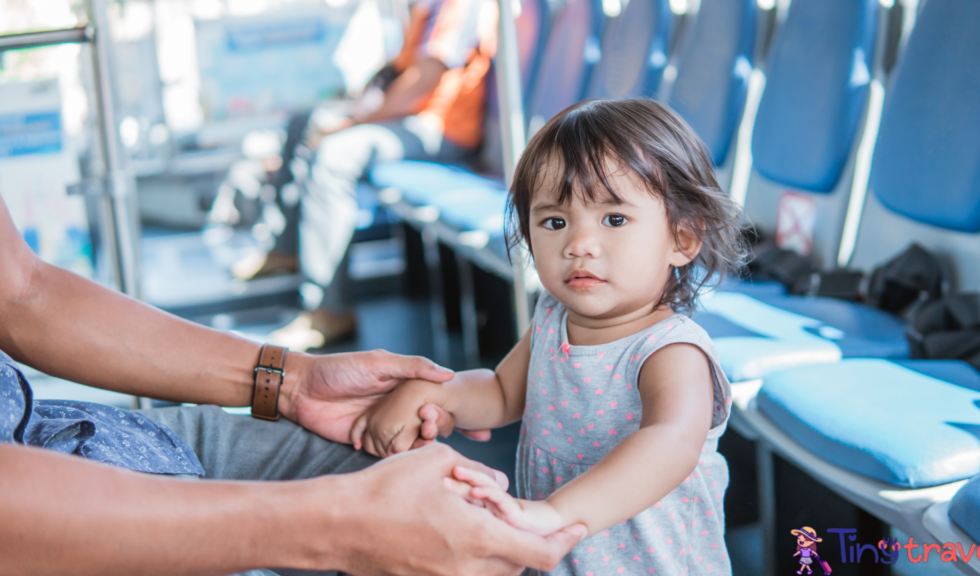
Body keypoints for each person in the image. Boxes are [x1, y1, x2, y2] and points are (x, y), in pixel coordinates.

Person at [0, 193, 586, 575]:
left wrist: (291, 382)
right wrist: (331, 525)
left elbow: (21, 292)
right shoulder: (553, 320)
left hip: (57, 433)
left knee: (441, 507)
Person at [348, 98, 747, 575]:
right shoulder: (554, 316)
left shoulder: (671, 351)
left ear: (682, 239)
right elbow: (501, 392)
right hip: (560, 556)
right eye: (554, 222)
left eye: (614, 219)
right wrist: (434, 393)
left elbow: (671, 444)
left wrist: (557, 512)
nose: (578, 244)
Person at [234, 0, 499, 351]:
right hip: (409, 118)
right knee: (304, 123)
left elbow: (424, 81)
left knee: (334, 155)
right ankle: (287, 248)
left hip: (440, 128)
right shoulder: (425, 8)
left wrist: (352, 124)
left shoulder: (457, 6)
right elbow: (402, 72)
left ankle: (330, 308)